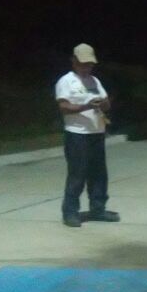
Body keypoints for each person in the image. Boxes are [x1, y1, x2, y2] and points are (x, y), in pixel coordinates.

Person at [56, 43, 120, 227]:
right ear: (74, 61)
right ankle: (70, 212)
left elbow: (106, 104)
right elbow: (64, 107)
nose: (87, 67)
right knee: (78, 174)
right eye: (83, 63)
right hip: (77, 134)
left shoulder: (94, 81)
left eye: (90, 64)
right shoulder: (66, 81)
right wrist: (86, 106)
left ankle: (98, 209)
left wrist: (103, 103)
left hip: (96, 133)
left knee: (99, 174)